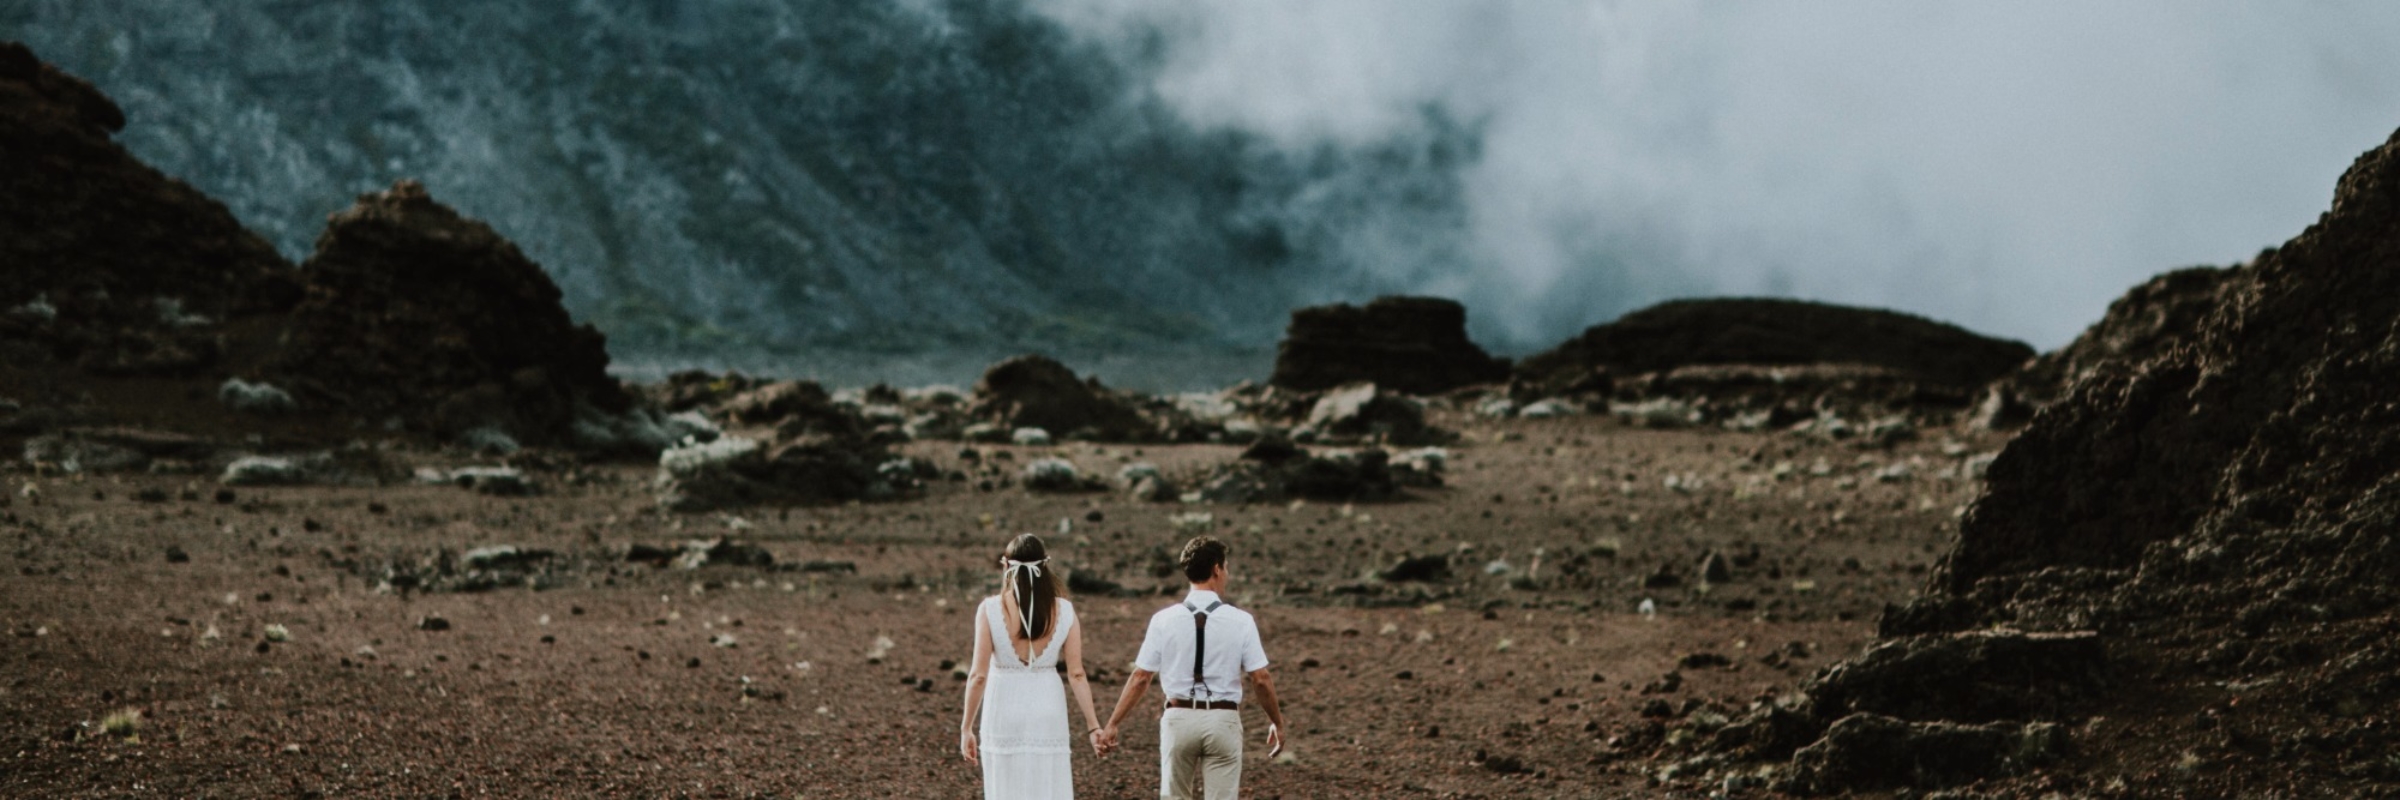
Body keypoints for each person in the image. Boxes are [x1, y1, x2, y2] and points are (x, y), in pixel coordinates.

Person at [1096, 536, 1290, 800]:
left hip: (1179, 718)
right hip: (1223, 720)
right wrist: (1276, 722)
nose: (1227, 574)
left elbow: (1141, 677)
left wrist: (1113, 723)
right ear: (1216, 569)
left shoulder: (1163, 620)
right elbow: (1261, 678)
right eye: (1227, 567)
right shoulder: (1242, 621)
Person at [959, 533, 1104, 799]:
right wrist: (1093, 726)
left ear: (1006, 566)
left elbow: (978, 676)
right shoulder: (1065, 610)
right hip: (1047, 708)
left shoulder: (990, 609)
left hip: (1003, 706)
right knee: (1047, 785)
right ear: (1044, 567)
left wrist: (966, 727)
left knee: (1006, 787)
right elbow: (1077, 673)